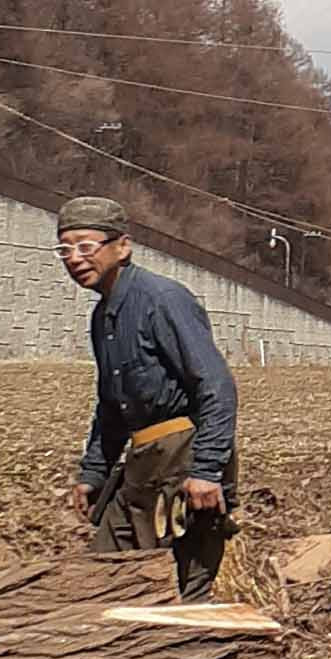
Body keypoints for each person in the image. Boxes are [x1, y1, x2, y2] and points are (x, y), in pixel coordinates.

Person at [58, 197, 240, 602]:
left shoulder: (162, 300)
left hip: (183, 459)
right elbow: (112, 407)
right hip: (141, 464)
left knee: (181, 587)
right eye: (65, 248)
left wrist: (208, 471)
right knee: (102, 576)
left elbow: (217, 387)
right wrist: (94, 474)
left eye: (86, 246)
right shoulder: (102, 316)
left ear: (122, 247)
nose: (74, 258)